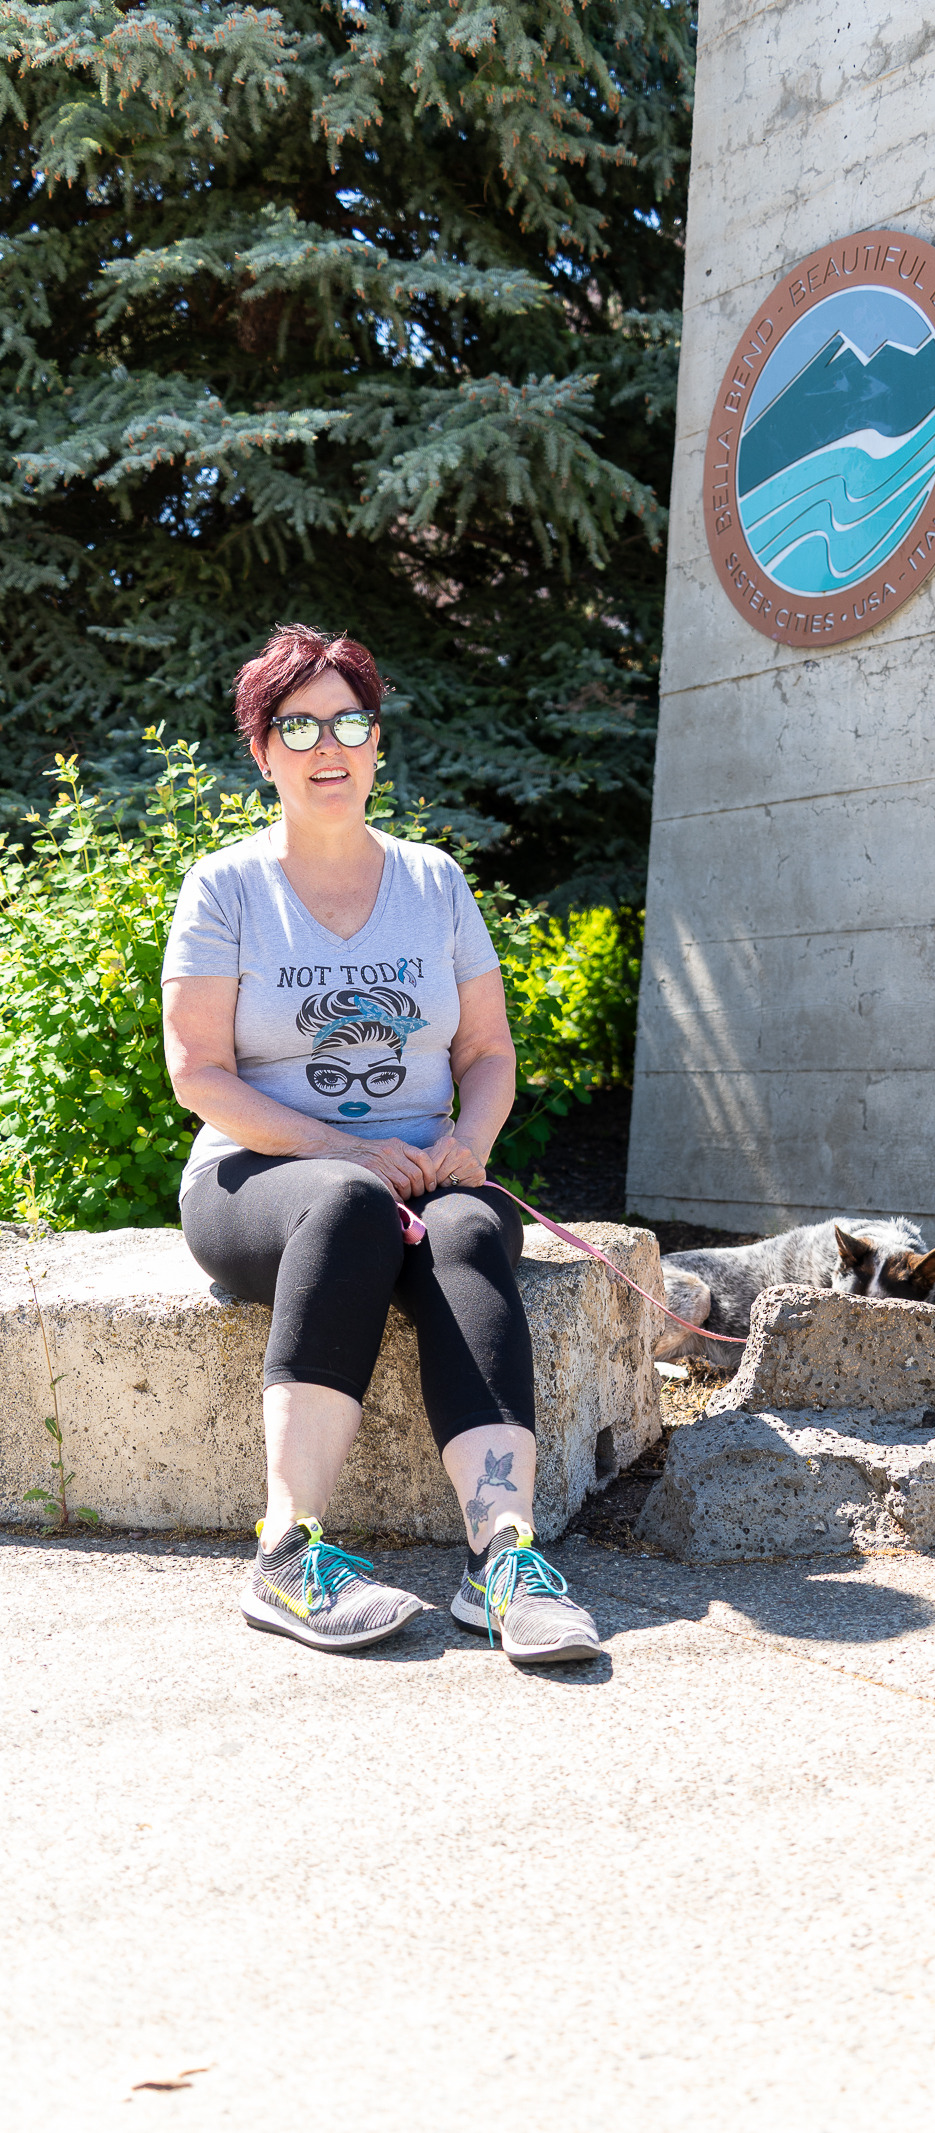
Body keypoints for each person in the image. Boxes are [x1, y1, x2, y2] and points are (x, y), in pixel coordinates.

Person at [161, 623, 600, 1665]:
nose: (328, 743)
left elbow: (488, 1051)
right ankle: (286, 1552)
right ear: (262, 752)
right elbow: (198, 1073)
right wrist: (338, 1150)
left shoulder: (434, 882)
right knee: (353, 1205)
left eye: (349, 720)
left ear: (377, 743)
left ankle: (502, 1558)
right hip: (257, 1176)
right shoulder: (224, 888)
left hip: (421, 1175)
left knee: (463, 1229)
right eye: (297, 723)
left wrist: (467, 1142)